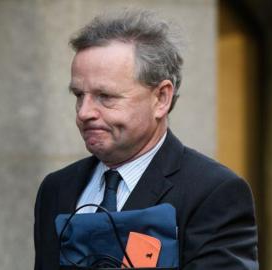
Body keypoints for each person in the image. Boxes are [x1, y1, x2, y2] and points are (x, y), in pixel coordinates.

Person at [34, 9, 258, 270]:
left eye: (105, 96)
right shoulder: (57, 188)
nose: (84, 113)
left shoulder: (213, 192)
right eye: (78, 95)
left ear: (161, 98)